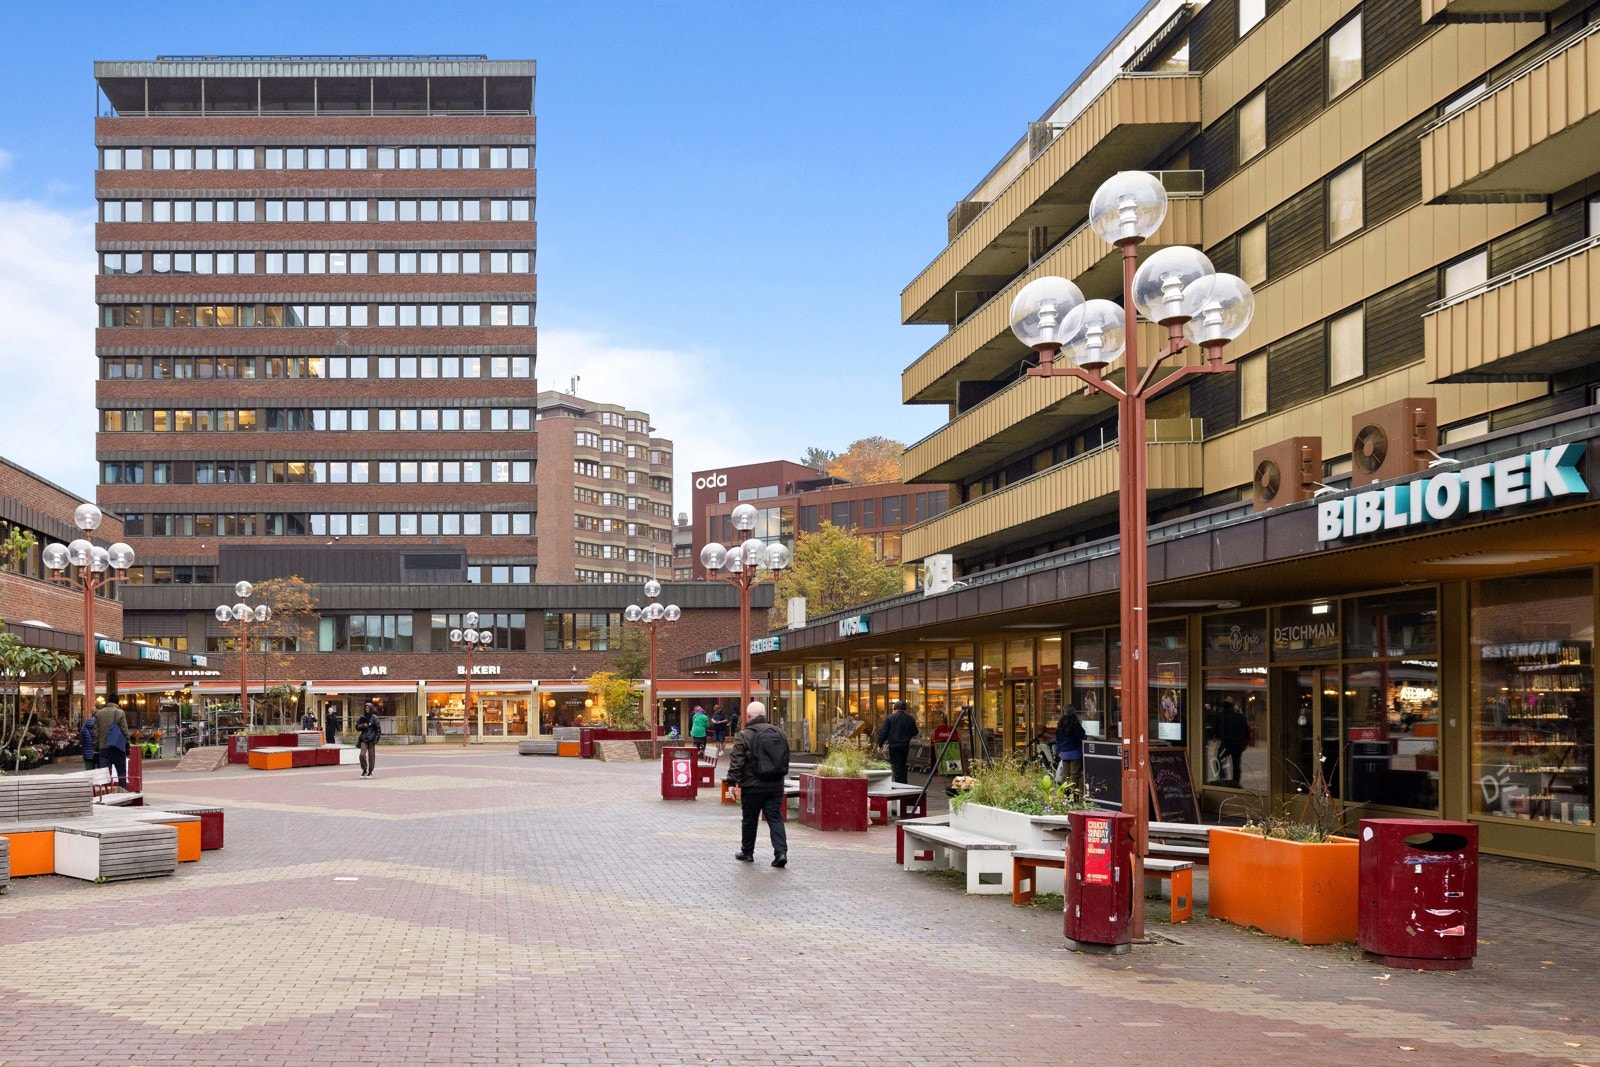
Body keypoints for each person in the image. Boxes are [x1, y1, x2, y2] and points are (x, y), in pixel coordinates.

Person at [727, 700, 789, 868]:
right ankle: (780, 852)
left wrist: (732, 782)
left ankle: (747, 852)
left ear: (748, 716)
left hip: (752, 785)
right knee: (775, 817)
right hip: (775, 784)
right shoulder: (779, 732)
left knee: (749, 819)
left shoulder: (744, 734)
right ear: (764, 715)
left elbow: (737, 761)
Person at [876, 699, 919, 784]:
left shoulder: (889, 718)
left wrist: (880, 743)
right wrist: (907, 735)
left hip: (893, 745)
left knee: (896, 765)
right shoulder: (910, 719)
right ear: (904, 708)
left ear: (895, 708)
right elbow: (915, 732)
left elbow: (884, 732)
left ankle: (899, 782)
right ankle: (904, 782)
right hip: (905, 745)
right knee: (903, 764)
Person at [94, 698, 132, 790]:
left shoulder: (98, 713)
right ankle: (123, 792)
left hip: (103, 748)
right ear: (117, 702)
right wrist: (128, 745)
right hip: (118, 747)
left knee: (104, 773)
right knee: (121, 772)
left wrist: (96, 746)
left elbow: (96, 733)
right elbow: (125, 730)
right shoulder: (120, 712)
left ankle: (103, 794)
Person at [1219, 698, 1250, 788]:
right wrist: (1245, 743)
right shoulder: (1241, 717)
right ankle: (1236, 782)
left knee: (1219, 761)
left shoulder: (1223, 717)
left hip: (1226, 744)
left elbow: (1220, 731)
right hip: (1238, 744)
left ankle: (1223, 779)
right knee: (1236, 764)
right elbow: (1246, 731)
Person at [1054, 705, 1087, 790]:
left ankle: (1064, 794)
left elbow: (1057, 738)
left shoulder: (1060, 724)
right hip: (1075, 752)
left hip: (1064, 753)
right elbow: (1081, 736)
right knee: (1075, 774)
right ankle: (1073, 794)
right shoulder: (1075, 723)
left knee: (1065, 774)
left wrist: (1059, 751)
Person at [356, 702, 381, 778]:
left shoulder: (375, 718)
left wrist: (375, 740)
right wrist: (363, 725)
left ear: (371, 708)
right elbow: (357, 727)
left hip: (371, 740)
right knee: (362, 755)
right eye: (366, 708)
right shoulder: (363, 717)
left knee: (371, 756)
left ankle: (370, 772)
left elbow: (378, 730)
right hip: (364, 739)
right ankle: (364, 770)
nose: (367, 709)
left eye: (368, 708)